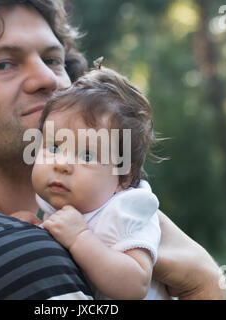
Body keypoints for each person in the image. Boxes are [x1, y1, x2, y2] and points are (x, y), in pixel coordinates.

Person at [0, 0, 226, 300]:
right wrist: (204, 285)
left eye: (53, 60)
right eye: (3, 64)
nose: (48, 80)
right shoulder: (22, 260)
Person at [32, 66, 171, 300]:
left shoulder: (127, 210)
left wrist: (80, 238)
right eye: (54, 148)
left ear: (124, 177)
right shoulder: (58, 202)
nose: (61, 164)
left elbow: (135, 286)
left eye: (87, 156)